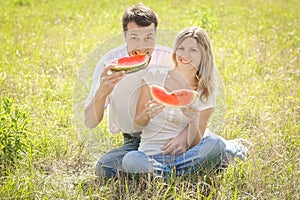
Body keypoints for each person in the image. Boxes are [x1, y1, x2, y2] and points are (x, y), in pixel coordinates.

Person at [122, 26, 248, 178]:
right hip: (149, 157)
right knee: (130, 159)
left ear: (203, 54)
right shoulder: (154, 76)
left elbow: (195, 143)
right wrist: (146, 115)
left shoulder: (205, 93)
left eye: (193, 50)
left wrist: (194, 123)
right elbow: (137, 123)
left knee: (215, 144)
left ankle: (164, 178)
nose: (185, 55)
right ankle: (182, 177)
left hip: (184, 158)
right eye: (181, 48)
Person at [84, 3, 189, 178]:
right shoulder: (109, 64)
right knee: (104, 167)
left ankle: (156, 170)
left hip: (171, 135)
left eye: (148, 38)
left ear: (156, 35)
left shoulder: (171, 59)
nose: (142, 46)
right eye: (134, 38)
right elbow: (89, 122)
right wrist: (102, 91)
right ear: (125, 37)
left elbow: (198, 103)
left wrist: (184, 137)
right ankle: (175, 170)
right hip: (134, 141)